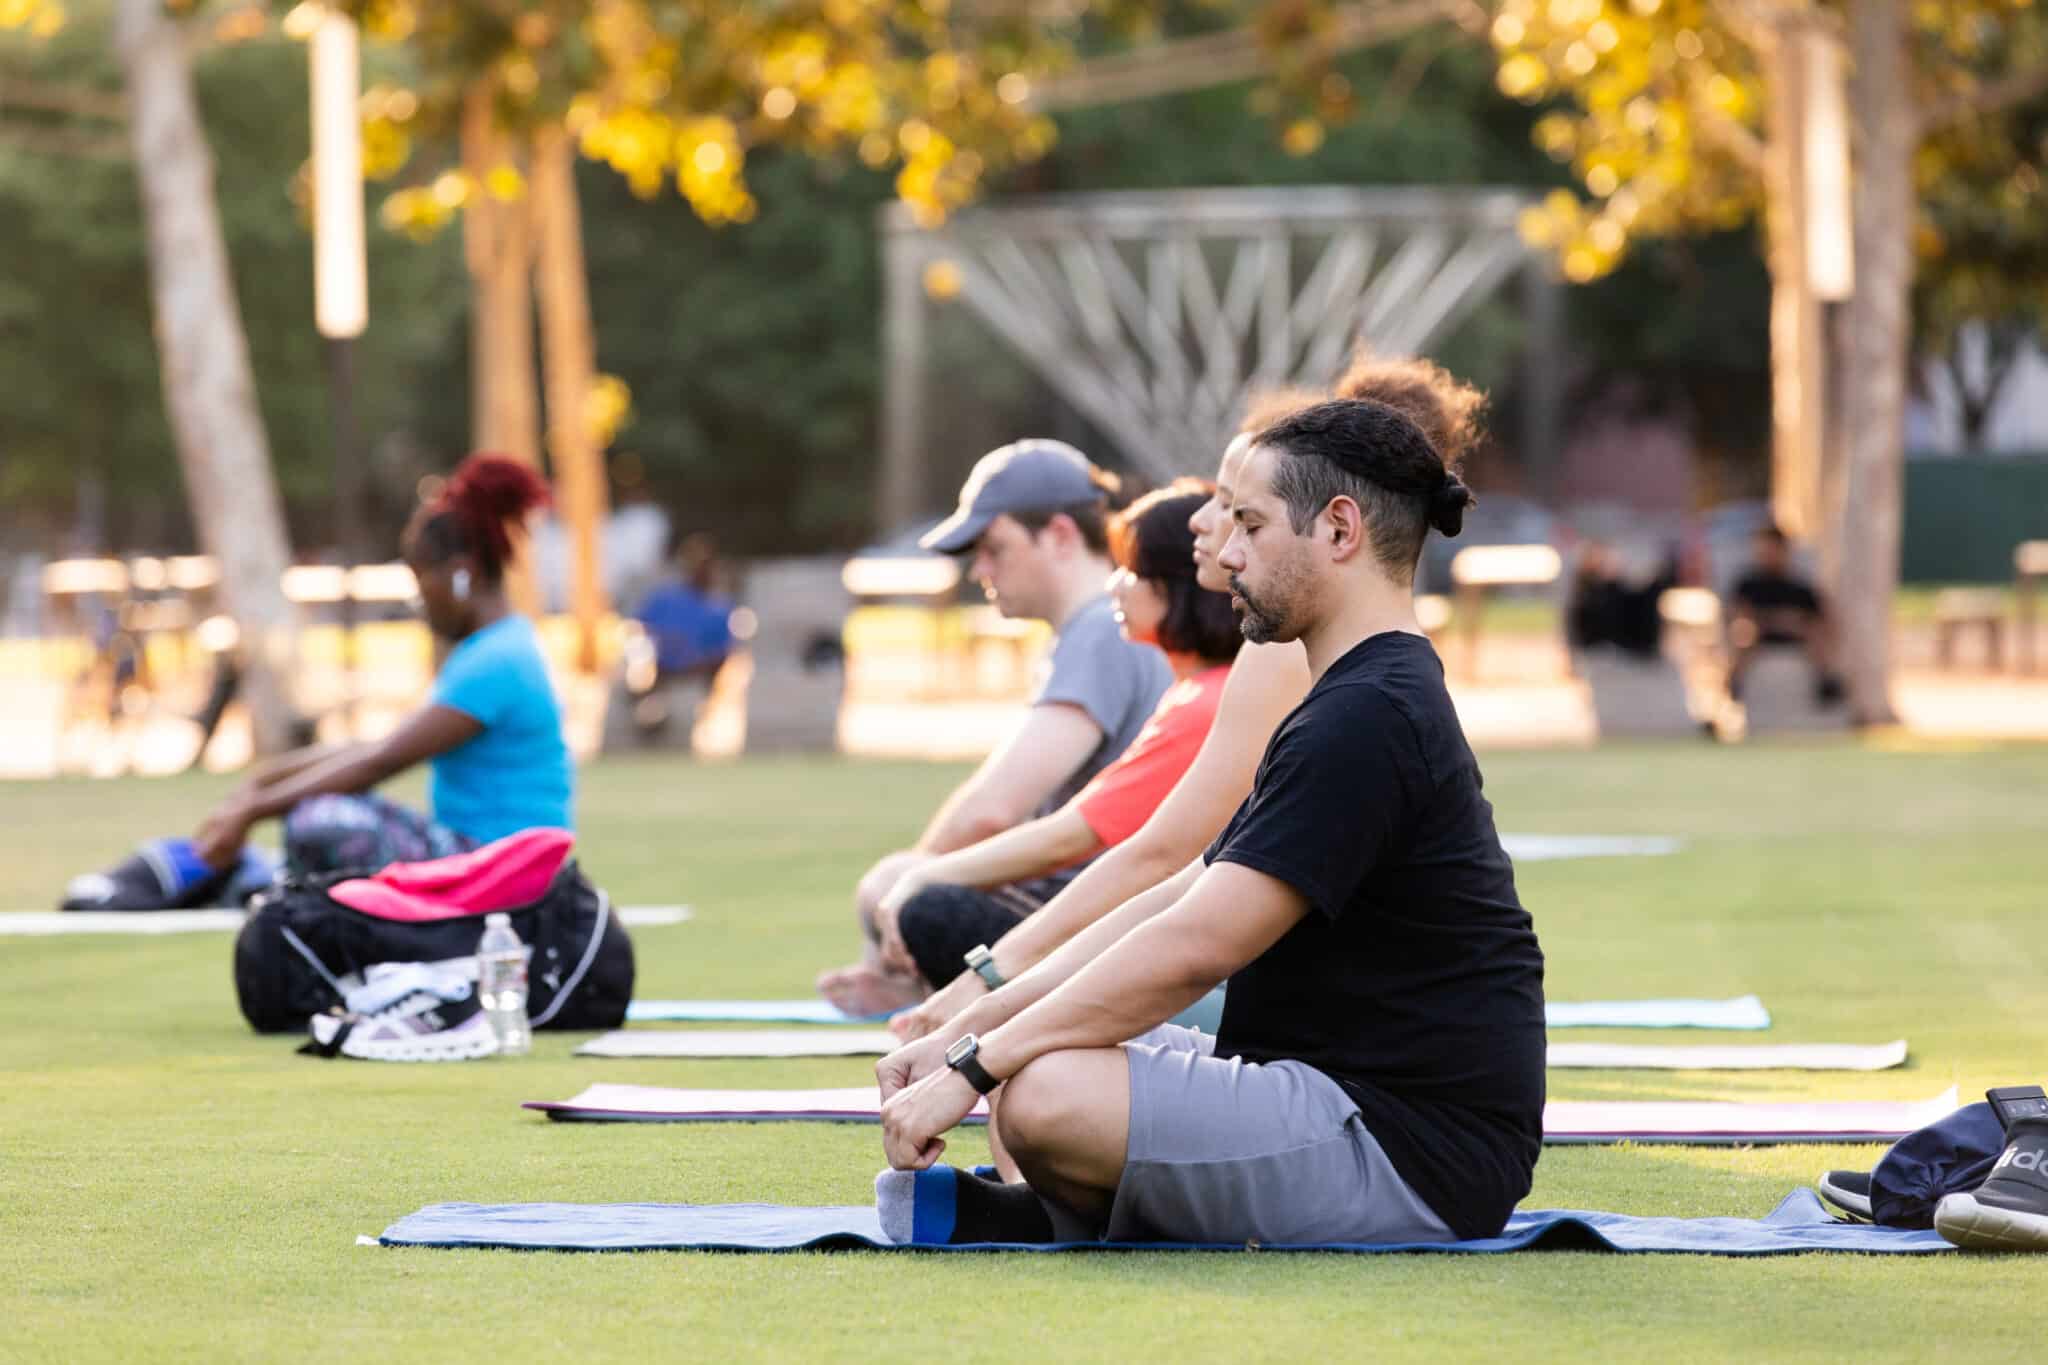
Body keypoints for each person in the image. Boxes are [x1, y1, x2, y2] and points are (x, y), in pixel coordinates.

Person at [873, 397, 1547, 1250]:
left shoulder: (1370, 716)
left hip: (1407, 1146)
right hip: (1329, 1094)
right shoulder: (1344, 695)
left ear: (1339, 530)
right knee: (1034, 1068)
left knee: (1044, 1093)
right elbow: (1181, 891)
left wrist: (975, 1060)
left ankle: (1059, 1213)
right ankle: (1059, 1209)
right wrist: (975, 1030)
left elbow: (1196, 943)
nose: (1225, 553)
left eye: (1251, 525)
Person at [889, 355, 1487, 1044]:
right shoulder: (1335, 665)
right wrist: (997, 1002)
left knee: (1036, 1055)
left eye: (1241, 512)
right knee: (1033, 1048)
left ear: (1333, 524)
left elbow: (1164, 866)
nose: (1207, 525)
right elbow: (1187, 876)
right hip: (1326, 1000)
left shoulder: (1332, 675)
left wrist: (991, 999)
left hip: (1329, 1024)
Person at [816, 439, 1173, 1017]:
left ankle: (912, 980)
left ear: (1059, 534)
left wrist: (897, 903)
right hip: (1101, 905)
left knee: (902, 887)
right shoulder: (1094, 630)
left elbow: (993, 809)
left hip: (1100, 916)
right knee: (909, 886)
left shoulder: (1101, 632)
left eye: (994, 548)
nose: (979, 570)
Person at [872, 481, 1244, 994]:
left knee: (930, 909)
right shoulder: (1193, 692)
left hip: (1186, 963)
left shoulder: (1205, 701)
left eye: (1133, 571)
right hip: (1160, 932)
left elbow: (1074, 834)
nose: (1115, 585)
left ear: (1180, 589)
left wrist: (924, 876)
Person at [191, 453, 573, 878]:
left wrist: (254, 811)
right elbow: (372, 749)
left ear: (460, 575)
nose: (422, 603)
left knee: (321, 823)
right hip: (481, 849)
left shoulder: (498, 661)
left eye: (421, 582)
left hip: (502, 862)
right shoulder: (494, 649)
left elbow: (382, 760)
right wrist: (260, 784)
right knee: (325, 809)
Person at [1725, 523, 1843, 705]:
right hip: (1758, 634)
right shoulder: (1748, 583)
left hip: (1795, 634)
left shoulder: (1799, 585)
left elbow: (1821, 617)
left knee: (1816, 635)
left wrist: (1794, 622)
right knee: (1744, 634)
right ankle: (1735, 681)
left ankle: (1826, 680)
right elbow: (1737, 612)